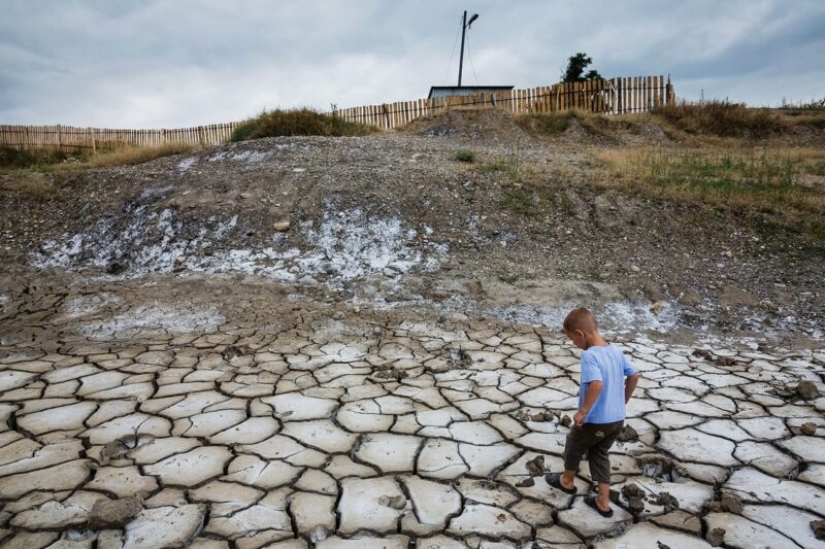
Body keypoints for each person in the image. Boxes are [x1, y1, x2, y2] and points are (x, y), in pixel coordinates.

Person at [545, 307, 640, 518]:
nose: (573, 344)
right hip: (616, 420)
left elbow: (596, 385)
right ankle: (602, 502)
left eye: (572, 339)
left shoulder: (590, 356)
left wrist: (582, 412)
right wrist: (621, 401)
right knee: (599, 454)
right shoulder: (616, 351)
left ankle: (567, 481)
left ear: (580, 334)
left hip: (596, 420)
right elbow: (634, 376)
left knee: (573, 445)